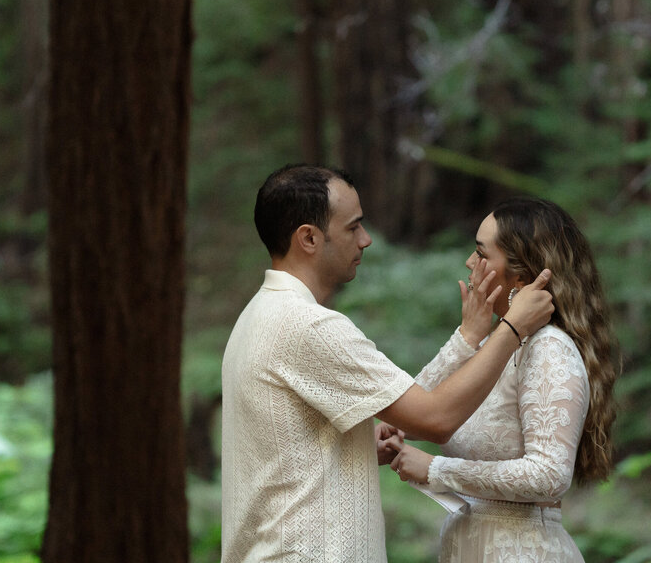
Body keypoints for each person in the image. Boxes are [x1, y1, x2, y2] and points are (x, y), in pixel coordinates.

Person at [220, 165, 556, 563]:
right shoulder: (308, 326)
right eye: (353, 227)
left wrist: (359, 445)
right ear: (308, 238)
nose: (366, 240)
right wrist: (513, 328)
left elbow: (289, 453)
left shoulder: (260, 314)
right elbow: (434, 418)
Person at [381, 196, 618, 562]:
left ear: (520, 274)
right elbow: (415, 413)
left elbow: (549, 474)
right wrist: (467, 337)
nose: (469, 262)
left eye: (481, 253)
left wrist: (437, 468)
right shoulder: (498, 344)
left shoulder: (548, 348)